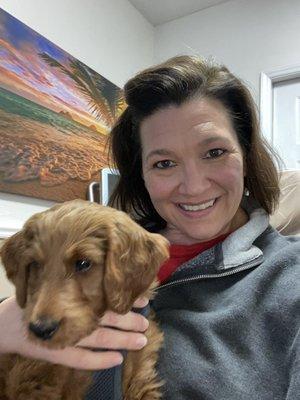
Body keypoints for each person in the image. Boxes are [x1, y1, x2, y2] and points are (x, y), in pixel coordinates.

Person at [0, 55, 299, 399]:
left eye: (214, 152)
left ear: (245, 154)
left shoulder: (290, 281)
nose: (194, 186)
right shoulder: (100, 240)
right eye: (165, 163)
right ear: (141, 173)